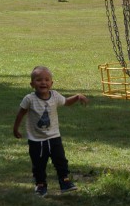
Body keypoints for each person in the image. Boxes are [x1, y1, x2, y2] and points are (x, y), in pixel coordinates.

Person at [12, 65, 88, 196]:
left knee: (61, 160)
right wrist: (15, 128)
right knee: (39, 164)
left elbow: (66, 102)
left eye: (47, 80)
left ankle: (64, 181)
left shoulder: (55, 96)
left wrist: (77, 97)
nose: (43, 82)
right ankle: (41, 185)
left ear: (51, 83)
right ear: (32, 84)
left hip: (54, 137)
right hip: (36, 140)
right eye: (39, 80)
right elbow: (21, 113)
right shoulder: (29, 99)